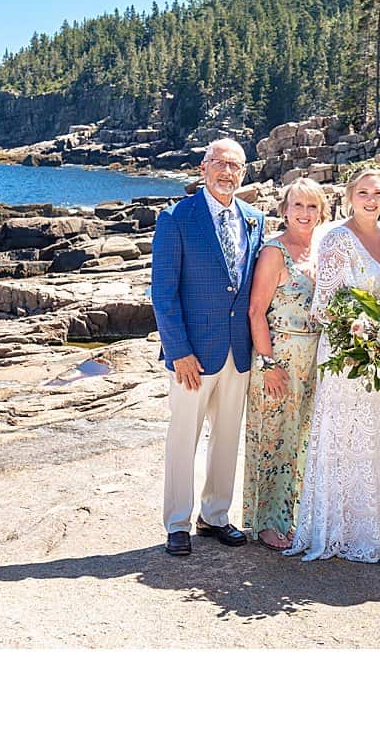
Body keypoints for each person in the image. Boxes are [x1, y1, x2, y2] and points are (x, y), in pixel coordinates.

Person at [150, 138, 265, 557]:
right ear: (203, 168)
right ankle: (177, 522)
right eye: (219, 163)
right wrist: (178, 350)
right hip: (192, 355)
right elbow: (163, 294)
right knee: (183, 437)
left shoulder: (255, 219)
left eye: (235, 166)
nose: (226, 172)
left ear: (244, 172)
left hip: (238, 350)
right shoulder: (176, 218)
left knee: (228, 436)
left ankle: (215, 516)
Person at [285, 164, 380, 563]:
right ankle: (338, 528)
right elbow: (323, 307)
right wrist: (362, 328)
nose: (371, 201)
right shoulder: (337, 239)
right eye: (363, 194)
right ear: (349, 197)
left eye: (378, 194)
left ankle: (373, 526)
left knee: (376, 439)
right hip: (345, 355)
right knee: (346, 439)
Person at [243, 179, 327, 550]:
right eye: (298, 206)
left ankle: (294, 517)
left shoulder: (324, 249)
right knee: (273, 439)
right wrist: (268, 364)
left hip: (316, 360)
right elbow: (255, 311)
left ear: (322, 211)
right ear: (284, 209)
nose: (304, 214)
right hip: (279, 358)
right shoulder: (274, 252)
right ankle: (266, 522)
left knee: (303, 441)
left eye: (312, 207)